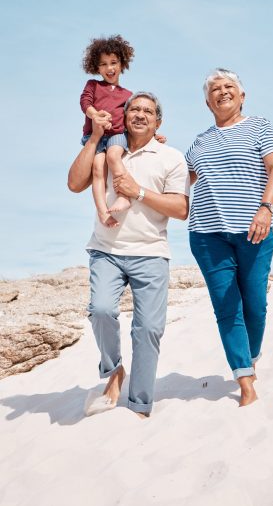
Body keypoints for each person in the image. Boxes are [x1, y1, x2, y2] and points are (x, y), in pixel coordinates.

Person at [68, 92, 190, 418]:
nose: (140, 114)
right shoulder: (108, 148)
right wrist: (95, 137)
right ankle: (113, 370)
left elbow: (181, 208)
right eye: (134, 109)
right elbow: (74, 183)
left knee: (148, 329)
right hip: (106, 250)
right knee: (101, 310)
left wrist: (138, 192)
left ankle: (139, 407)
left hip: (150, 253)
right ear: (125, 116)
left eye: (147, 111)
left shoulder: (172, 157)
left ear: (158, 121)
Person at [185, 68, 273, 407]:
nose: (222, 91)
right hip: (206, 235)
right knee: (227, 308)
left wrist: (266, 208)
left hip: (254, 230)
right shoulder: (198, 142)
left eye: (230, 87)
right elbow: (177, 177)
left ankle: (251, 354)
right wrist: (156, 144)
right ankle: (245, 379)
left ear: (242, 96)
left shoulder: (259, 126)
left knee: (255, 307)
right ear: (207, 101)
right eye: (215, 88)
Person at [80, 34, 134, 228]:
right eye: (103, 64)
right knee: (97, 170)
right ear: (96, 67)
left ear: (122, 64)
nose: (109, 68)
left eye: (113, 62)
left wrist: (154, 137)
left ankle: (123, 196)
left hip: (117, 135)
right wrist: (95, 115)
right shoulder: (92, 85)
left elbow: (132, 119)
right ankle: (103, 212)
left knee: (113, 156)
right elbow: (85, 102)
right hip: (95, 136)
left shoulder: (128, 95)